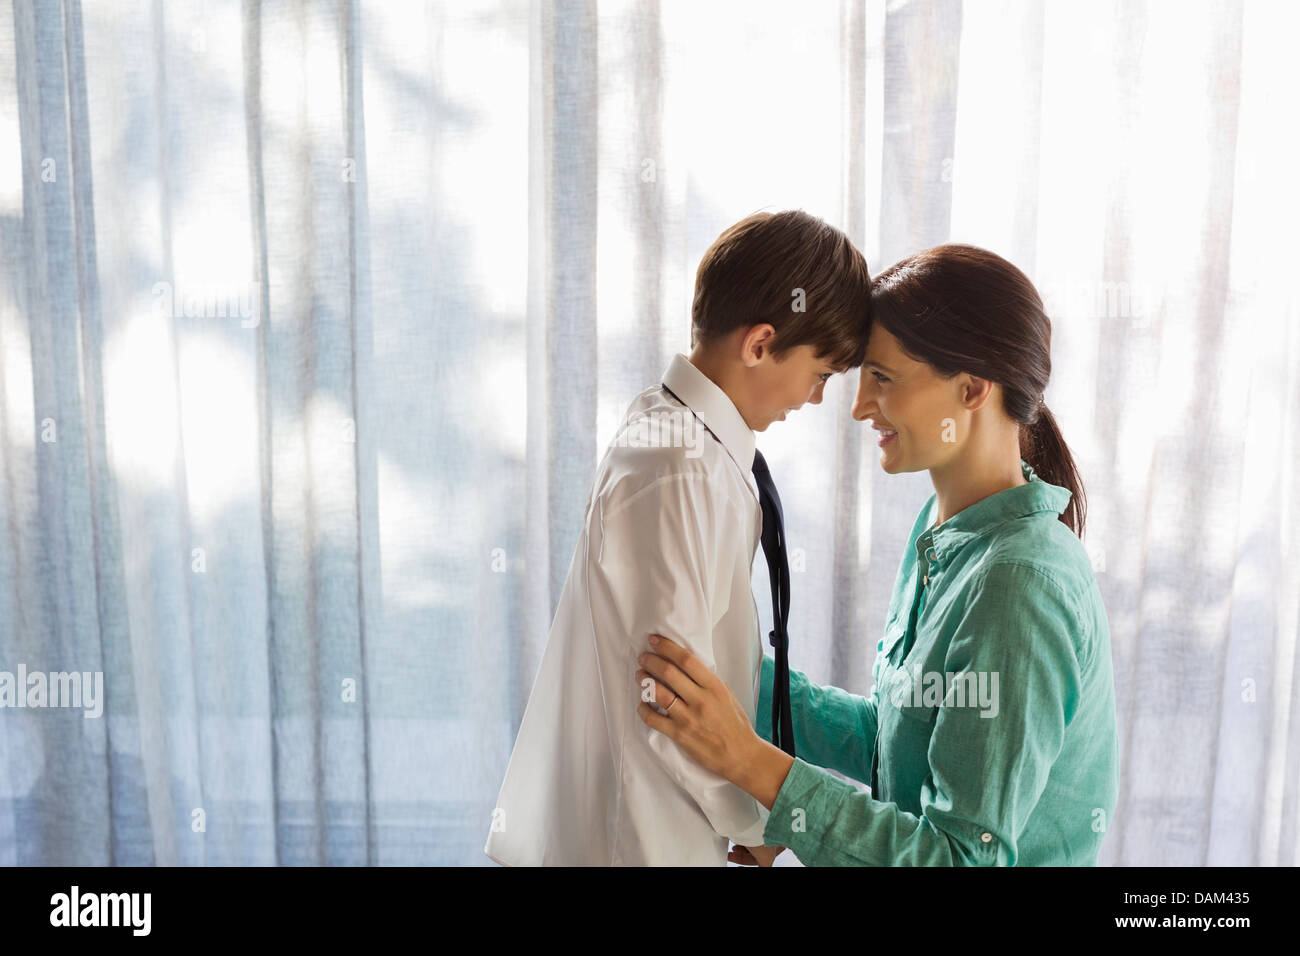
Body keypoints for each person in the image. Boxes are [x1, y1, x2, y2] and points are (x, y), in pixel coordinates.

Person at [636, 243, 1120, 866]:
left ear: (972, 389)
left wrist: (756, 767)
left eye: (883, 379)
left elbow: (955, 859)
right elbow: (897, 742)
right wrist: (735, 683)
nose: (860, 405)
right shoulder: (946, 530)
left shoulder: (1019, 582)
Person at [484, 210, 872, 865]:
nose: (815, 398)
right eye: (821, 372)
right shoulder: (680, 466)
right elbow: (669, 694)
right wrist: (758, 820)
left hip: (656, 824)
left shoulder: (684, 441)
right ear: (759, 344)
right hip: (640, 834)